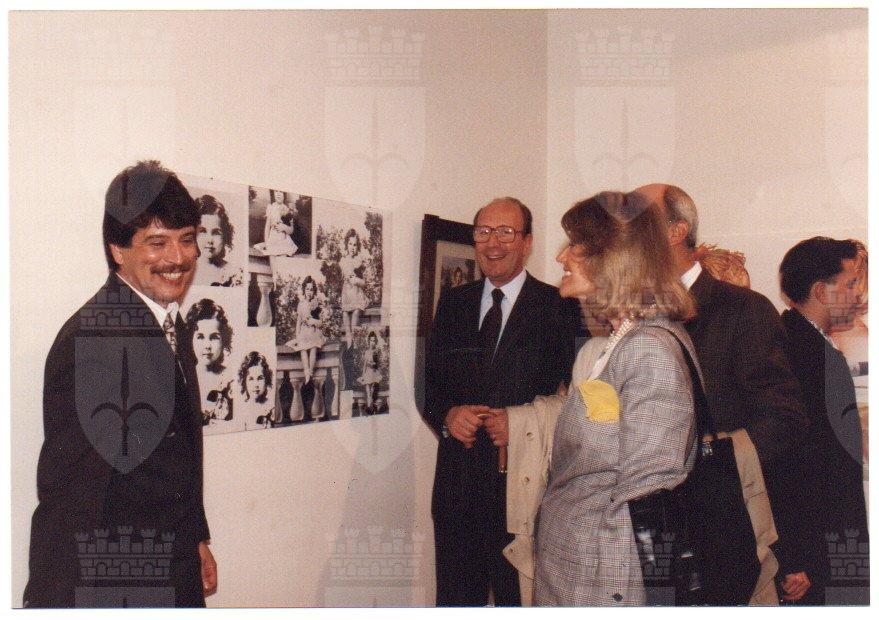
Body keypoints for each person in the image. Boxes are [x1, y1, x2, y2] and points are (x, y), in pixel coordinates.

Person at [486, 191, 700, 605]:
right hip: (576, 572)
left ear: (614, 257)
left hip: (599, 583)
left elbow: (646, 500)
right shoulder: (623, 340)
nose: (561, 257)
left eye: (575, 245)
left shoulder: (648, 348)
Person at [23, 160, 216, 607]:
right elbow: (73, 501)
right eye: (157, 243)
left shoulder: (170, 322)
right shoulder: (94, 341)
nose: (178, 258)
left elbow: (176, 458)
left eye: (187, 239)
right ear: (117, 249)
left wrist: (195, 538)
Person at [635, 183, 809, 605]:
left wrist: (709, 462)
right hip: (642, 528)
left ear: (676, 231)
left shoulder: (743, 309)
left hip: (718, 529)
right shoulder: (626, 313)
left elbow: (783, 419)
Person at [417, 197, 581, 606]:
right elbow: (428, 384)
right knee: (455, 603)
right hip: (457, 487)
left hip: (524, 488)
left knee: (519, 602)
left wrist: (522, 422)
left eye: (506, 232)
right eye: (484, 232)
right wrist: (447, 416)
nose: (493, 243)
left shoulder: (560, 306)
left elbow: (580, 398)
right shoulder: (453, 302)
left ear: (527, 242)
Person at [778, 237, 869, 605]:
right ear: (820, 291)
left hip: (832, 538)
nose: (859, 294)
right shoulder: (796, 351)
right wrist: (793, 557)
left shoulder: (813, 345)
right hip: (818, 549)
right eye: (850, 283)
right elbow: (787, 460)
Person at [185, 298, 235, 426]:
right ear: (190, 339)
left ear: (224, 340)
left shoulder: (231, 379)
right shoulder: (184, 377)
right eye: (200, 337)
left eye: (214, 337)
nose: (207, 345)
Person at [195, 194, 243, 286]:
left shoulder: (234, 274)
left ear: (225, 235)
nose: (209, 240)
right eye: (203, 231)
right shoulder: (184, 271)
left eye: (216, 232)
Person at [287, 275, 326, 384]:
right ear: (304, 290)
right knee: (302, 347)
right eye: (307, 289)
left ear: (314, 291)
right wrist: (297, 336)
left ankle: (311, 373)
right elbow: (298, 322)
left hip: (313, 331)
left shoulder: (316, 304)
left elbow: (320, 323)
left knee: (313, 346)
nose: (309, 292)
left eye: (311, 289)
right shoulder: (301, 304)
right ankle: (306, 372)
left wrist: (314, 321)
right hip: (304, 332)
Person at [340, 228, 369, 344]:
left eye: (355, 245)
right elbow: (345, 275)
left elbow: (364, 283)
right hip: (347, 293)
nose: (352, 247)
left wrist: (357, 280)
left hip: (357, 293)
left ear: (358, 247)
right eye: (350, 244)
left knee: (356, 311)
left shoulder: (359, 260)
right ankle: (349, 339)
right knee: (345, 312)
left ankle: (354, 337)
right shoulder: (344, 260)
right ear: (346, 245)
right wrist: (349, 276)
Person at [238, 351, 276, 429]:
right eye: (251, 379)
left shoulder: (272, 407)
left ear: (267, 380)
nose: (256, 385)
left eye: (260, 378)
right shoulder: (241, 409)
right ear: (244, 382)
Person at [256, 189, 298, 256]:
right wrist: (267, 243)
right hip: (273, 239)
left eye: (281, 191)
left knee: (283, 254)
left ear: (284, 194)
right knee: (272, 254)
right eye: (276, 191)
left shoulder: (288, 210)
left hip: (284, 240)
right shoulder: (271, 208)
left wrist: (285, 228)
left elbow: (291, 230)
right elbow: (267, 227)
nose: (278, 194)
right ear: (273, 193)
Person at [357, 330, 383, 415]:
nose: (372, 342)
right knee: (368, 392)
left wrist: (373, 364)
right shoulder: (367, 352)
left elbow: (377, 364)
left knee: (372, 391)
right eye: (371, 340)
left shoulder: (376, 352)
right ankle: (369, 408)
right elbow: (364, 365)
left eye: (374, 341)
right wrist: (363, 375)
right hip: (368, 373)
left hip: (374, 372)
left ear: (376, 342)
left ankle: (370, 408)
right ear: (369, 341)